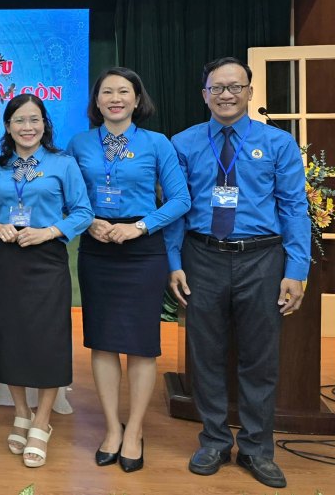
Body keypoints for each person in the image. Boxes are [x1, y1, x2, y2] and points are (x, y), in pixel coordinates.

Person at [166, 57, 309, 489]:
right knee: (205, 355)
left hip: (262, 259)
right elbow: (176, 208)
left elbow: (294, 208)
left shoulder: (278, 143)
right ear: (204, 94)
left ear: (249, 91)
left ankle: (256, 448)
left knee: (260, 358)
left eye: (235, 86)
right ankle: (213, 441)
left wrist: (296, 268)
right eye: (217, 88)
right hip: (202, 256)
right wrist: (174, 263)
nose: (226, 94)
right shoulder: (183, 143)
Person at [66, 67, 190, 473]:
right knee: (102, 342)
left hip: (142, 250)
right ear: (96, 101)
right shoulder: (79, 143)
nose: (115, 99)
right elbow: (66, 194)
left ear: (137, 100)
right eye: (107, 92)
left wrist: (140, 226)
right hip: (97, 249)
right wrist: (88, 221)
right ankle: (111, 428)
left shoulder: (157, 143)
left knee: (140, 344)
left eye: (124, 92)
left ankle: (134, 430)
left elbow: (180, 200)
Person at [0, 93, 93, 468]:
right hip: (7, 259)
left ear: (45, 124)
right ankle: (21, 412)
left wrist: (49, 231)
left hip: (46, 257)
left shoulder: (63, 164)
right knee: (11, 336)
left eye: (34, 120)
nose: (28, 127)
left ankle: (42, 420)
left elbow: (83, 212)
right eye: (19, 121)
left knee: (47, 338)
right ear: (8, 127)